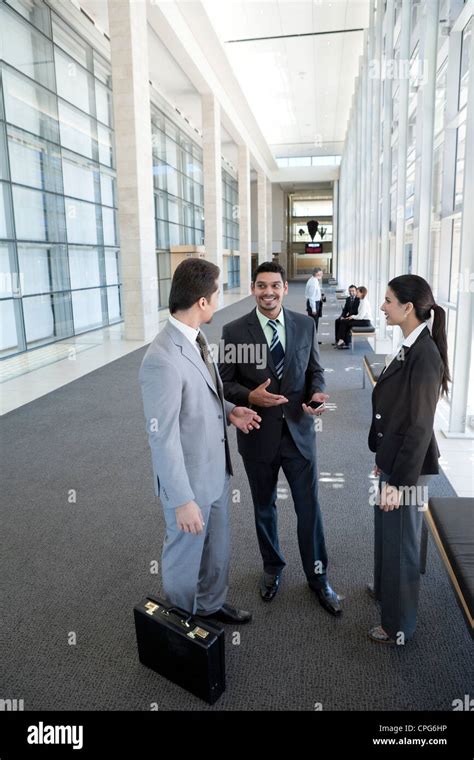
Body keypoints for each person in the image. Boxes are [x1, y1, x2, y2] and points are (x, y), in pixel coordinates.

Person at [139, 258, 261, 624]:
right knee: (185, 555)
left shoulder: (197, 337)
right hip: (188, 485)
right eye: (216, 293)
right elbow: (162, 436)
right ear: (202, 302)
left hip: (215, 473)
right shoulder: (161, 359)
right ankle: (180, 624)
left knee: (216, 552)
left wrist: (229, 411)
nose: (218, 299)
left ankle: (209, 605)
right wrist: (181, 500)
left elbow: (201, 396)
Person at [219, 262, 343, 616]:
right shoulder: (233, 331)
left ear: (286, 288)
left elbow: (314, 370)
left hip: (300, 433)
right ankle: (272, 567)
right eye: (261, 286)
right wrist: (248, 397)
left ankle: (318, 578)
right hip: (258, 433)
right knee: (264, 507)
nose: (268, 292)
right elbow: (225, 383)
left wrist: (317, 392)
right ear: (253, 288)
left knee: (310, 509)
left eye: (275, 285)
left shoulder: (304, 324)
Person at [367, 274, 450, 644]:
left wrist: (398, 484)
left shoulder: (425, 355)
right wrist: (383, 461)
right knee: (387, 533)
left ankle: (398, 624)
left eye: (387, 300)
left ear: (407, 308)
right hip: (394, 459)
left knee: (401, 542)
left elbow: (418, 427)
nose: (382, 306)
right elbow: (398, 414)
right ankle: (386, 591)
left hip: (409, 470)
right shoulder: (410, 344)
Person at [305, 267, 323, 333]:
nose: (322, 275)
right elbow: (311, 297)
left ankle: (314, 340)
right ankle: (313, 341)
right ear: (316, 274)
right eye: (320, 273)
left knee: (315, 323)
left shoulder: (315, 280)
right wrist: (314, 309)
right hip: (313, 304)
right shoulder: (313, 283)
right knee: (314, 323)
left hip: (315, 303)